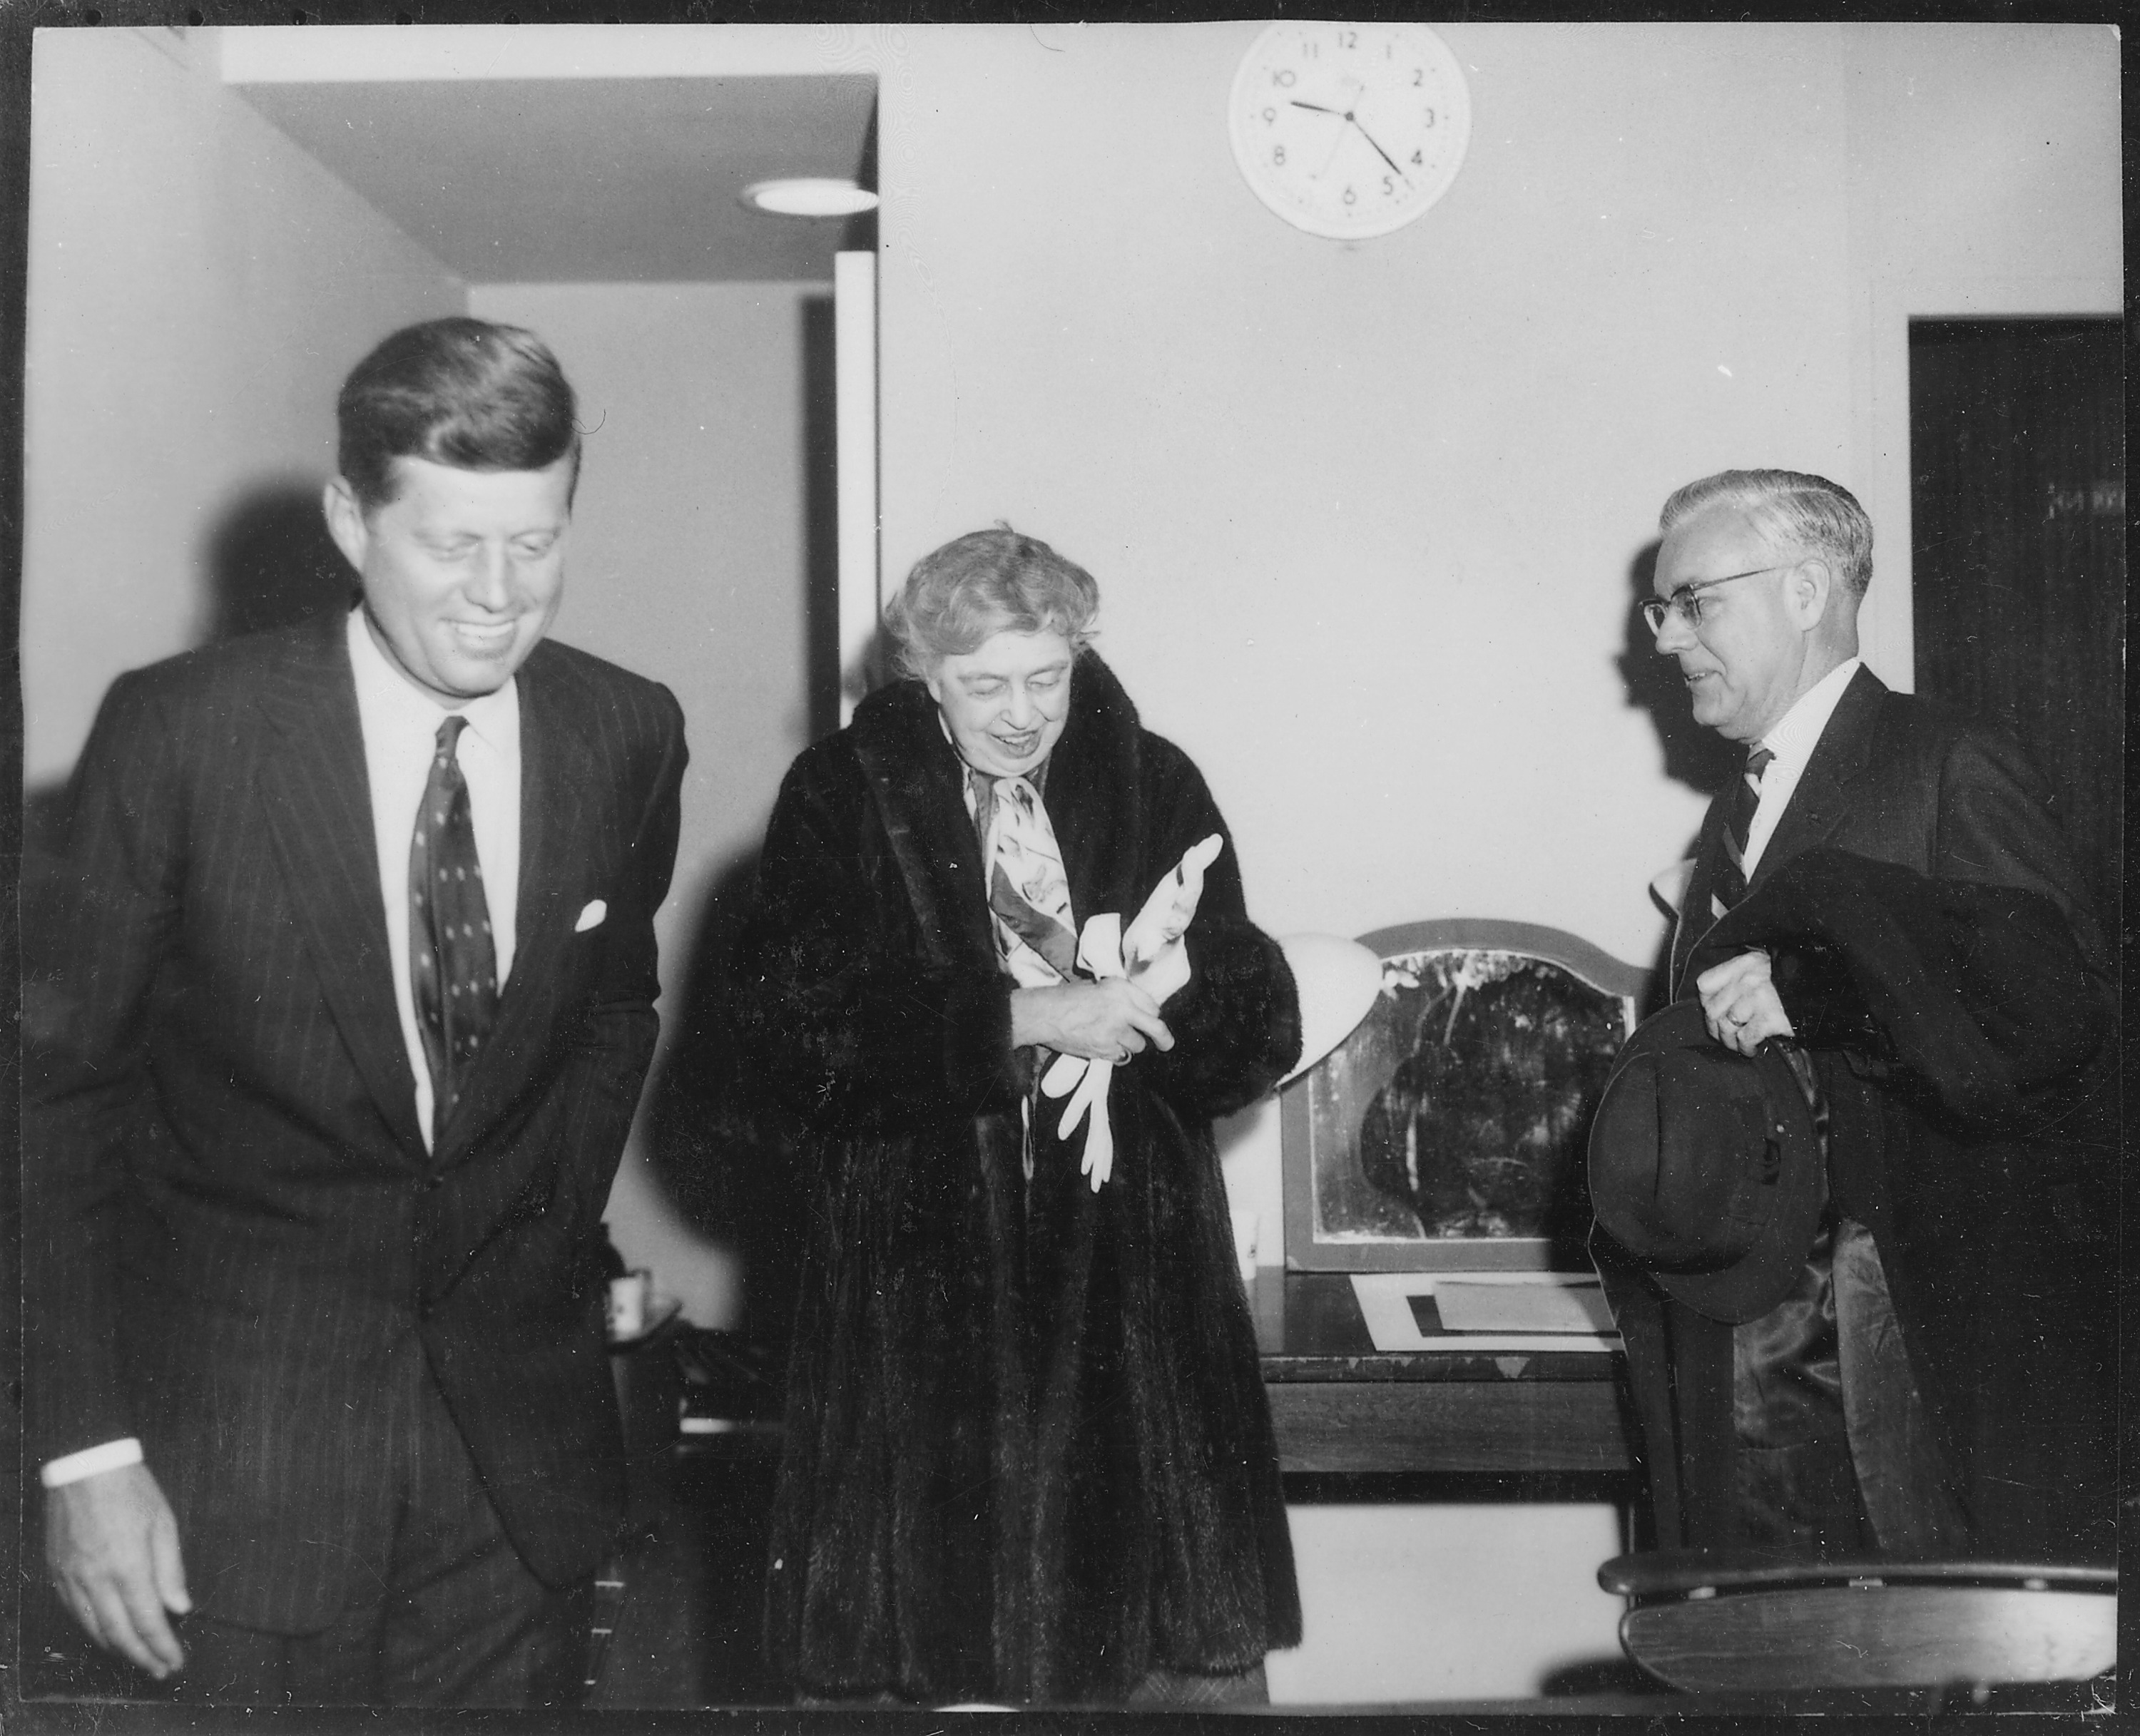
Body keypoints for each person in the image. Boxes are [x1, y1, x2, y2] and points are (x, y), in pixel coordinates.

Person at [24, 317, 688, 1704]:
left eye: (539, 539)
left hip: (516, 1480)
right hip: (236, 1479)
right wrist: (86, 1454)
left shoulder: (627, 732)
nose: (501, 595)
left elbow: (614, 1000)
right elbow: (51, 1104)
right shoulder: (183, 733)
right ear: (349, 518)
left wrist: (545, 1220)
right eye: (454, 544)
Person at [728, 526, 1303, 1706]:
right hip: (916, 1286)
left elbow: (1256, 1023)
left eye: (1048, 676)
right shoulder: (838, 797)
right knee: (921, 1662)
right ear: (921, 670)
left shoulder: (1160, 781)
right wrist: (1031, 1016)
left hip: (1133, 1280)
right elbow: (790, 1041)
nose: (1023, 713)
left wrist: (1173, 994)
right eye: (985, 682)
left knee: (1163, 1664)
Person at [1593, 467, 2115, 1564]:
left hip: (1903, 1365)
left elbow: (2063, 1005)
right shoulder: (1735, 812)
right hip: (1753, 1363)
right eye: (1661, 607)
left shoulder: (1946, 763)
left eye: (1695, 601)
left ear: (1806, 589)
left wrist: (1824, 992)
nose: (1668, 638)